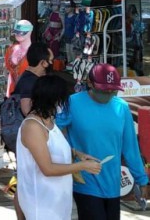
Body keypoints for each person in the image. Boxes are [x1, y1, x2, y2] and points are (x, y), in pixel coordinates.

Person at [56, 63, 150, 219]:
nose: (108, 93)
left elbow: (130, 148)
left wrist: (142, 180)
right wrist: (71, 152)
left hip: (113, 184)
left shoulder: (122, 108)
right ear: (90, 83)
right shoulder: (72, 103)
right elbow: (52, 133)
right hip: (84, 183)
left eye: (112, 91)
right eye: (103, 89)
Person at [17, 75, 103, 220]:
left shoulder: (49, 120)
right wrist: (82, 166)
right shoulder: (33, 126)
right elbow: (47, 169)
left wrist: (77, 154)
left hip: (57, 201)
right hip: (42, 204)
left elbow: (51, 149)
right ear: (54, 99)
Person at [11, 42, 53, 219]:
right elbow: (27, 110)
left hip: (26, 135)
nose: (52, 64)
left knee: (24, 179)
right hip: (25, 135)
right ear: (42, 62)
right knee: (24, 181)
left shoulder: (29, 77)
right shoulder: (30, 81)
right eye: (50, 60)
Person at [6, 20, 34, 96]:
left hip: (28, 94)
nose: (18, 35)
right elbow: (10, 74)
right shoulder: (10, 50)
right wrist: (7, 94)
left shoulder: (34, 51)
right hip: (12, 93)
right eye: (17, 32)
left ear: (30, 32)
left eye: (21, 32)